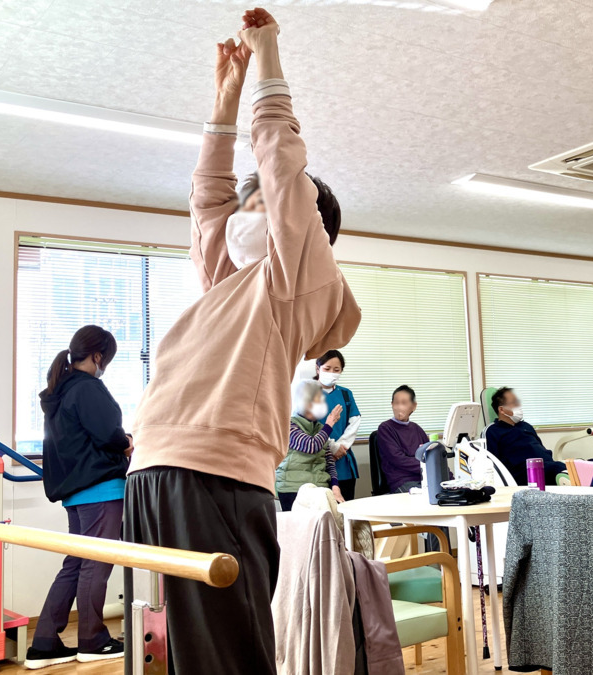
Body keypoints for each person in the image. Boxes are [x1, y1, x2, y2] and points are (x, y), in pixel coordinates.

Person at [123, 9, 361, 674]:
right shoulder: (224, 277)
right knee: (185, 655)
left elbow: (281, 163)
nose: (246, 213)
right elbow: (208, 197)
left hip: (216, 473)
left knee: (228, 654)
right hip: (155, 468)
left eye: (264, 206)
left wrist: (267, 57)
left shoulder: (296, 281)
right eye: (247, 205)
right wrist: (223, 102)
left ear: (308, 231)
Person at [26, 326, 130, 669]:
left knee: (75, 563)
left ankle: (44, 642)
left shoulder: (60, 391)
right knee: (96, 563)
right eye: (107, 359)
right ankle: (92, 640)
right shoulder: (87, 387)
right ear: (98, 356)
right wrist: (127, 442)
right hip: (100, 488)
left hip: (75, 492)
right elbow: (109, 434)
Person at [276, 380, 344, 510]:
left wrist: (335, 487)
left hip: (319, 488)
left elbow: (329, 461)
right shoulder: (288, 425)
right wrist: (330, 424)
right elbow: (311, 446)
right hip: (293, 488)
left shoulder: (320, 428)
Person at [484, 387, 567, 486]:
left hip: (548, 466)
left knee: (577, 465)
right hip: (523, 473)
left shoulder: (526, 426)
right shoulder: (492, 431)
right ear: (502, 409)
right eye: (514, 403)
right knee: (559, 470)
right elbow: (490, 462)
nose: (519, 406)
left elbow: (541, 449)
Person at [315, 350, 362, 501]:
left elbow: (354, 421)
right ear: (318, 368)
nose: (331, 373)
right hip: (318, 461)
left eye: (336, 370)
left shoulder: (346, 394)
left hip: (343, 462)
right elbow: (307, 427)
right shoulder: (308, 394)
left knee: (345, 508)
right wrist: (331, 447)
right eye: (327, 368)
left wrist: (341, 447)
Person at [376, 385, 429, 493]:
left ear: (414, 406)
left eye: (404, 403)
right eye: (396, 403)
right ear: (392, 405)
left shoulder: (417, 429)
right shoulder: (385, 428)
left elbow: (431, 455)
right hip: (402, 481)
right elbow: (398, 460)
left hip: (424, 478)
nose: (399, 407)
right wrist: (427, 465)